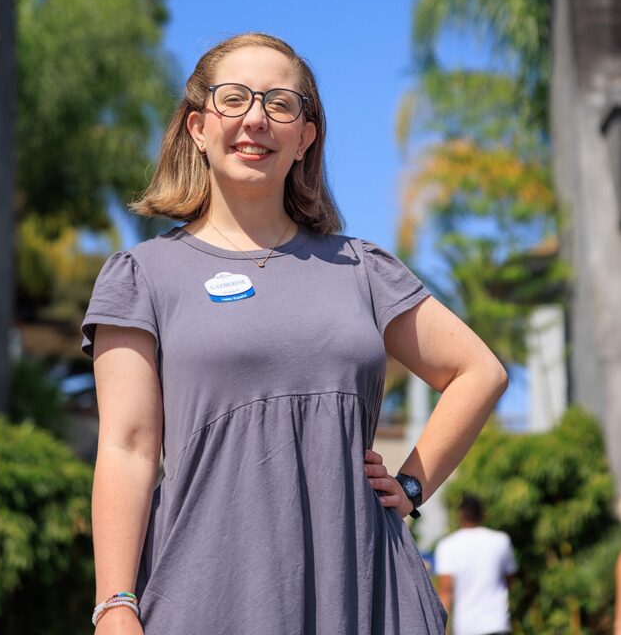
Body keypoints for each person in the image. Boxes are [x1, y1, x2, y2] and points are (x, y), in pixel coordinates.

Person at [80, 32, 509, 635]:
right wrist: (115, 602)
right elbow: (127, 448)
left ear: (304, 136)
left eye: (281, 104)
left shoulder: (362, 268)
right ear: (198, 127)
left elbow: (479, 372)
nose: (256, 118)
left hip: (367, 592)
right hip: (206, 595)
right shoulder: (142, 277)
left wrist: (412, 483)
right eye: (234, 99)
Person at [435, 493, 517, 635]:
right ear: (483, 514)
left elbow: (445, 592)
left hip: (466, 627)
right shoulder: (501, 541)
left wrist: (443, 629)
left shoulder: (447, 546)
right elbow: (510, 580)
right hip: (497, 624)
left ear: (460, 516)